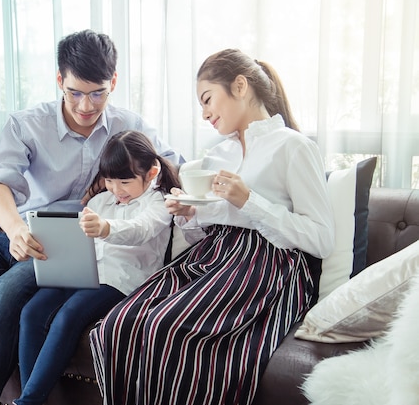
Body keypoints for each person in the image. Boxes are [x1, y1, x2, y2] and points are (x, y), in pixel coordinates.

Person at [0, 29, 183, 405]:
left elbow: (170, 171)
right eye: (75, 92)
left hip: (67, 246)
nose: (85, 105)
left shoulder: (130, 127)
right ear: (59, 80)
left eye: (98, 92)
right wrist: (14, 229)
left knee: (4, 295)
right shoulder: (27, 124)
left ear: (113, 82)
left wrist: (172, 196)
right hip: (10, 232)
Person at [89, 48, 335, 405]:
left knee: (164, 328)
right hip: (212, 256)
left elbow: (321, 239)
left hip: (267, 265)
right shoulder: (217, 155)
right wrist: (188, 215)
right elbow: (204, 231)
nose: (204, 114)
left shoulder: (294, 147)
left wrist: (249, 200)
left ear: (240, 86)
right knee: (117, 324)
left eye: (207, 100)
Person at [13, 130, 181, 405]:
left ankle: (27, 401)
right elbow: (78, 239)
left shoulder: (159, 201)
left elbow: (141, 230)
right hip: (81, 271)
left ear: (151, 174)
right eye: (110, 180)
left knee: (68, 315)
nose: (116, 189)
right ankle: (34, 399)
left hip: (121, 279)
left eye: (125, 182)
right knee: (32, 312)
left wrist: (105, 228)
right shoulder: (100, 201)